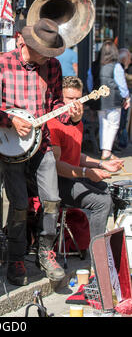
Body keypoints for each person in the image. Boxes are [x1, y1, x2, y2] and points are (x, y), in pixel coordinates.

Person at [0, 18, 83, 285]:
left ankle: (45, 252)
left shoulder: (52, 66)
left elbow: (54, 103)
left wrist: (72, 115)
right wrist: (10, 120)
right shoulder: (2, 65)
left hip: (41, 144)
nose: (49, 58)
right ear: (28, 44)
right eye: (45, 52)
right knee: (19, 205)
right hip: (10, 147)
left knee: (52, 200)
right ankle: (16, 258)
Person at [47, 76, 123, 241]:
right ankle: (98, 258)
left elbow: (75, 155)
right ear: (60, 99)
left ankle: (111, 245)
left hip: (74, 176)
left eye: (78, 98)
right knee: (102, 202)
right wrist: (86, 172)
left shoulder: (77, 122)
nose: (75, 103)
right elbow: (56, 165)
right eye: (69, 99)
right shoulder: (53, 123)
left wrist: (103, 164)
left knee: (111, 192)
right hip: (57, 182)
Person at [93, 40, 130, 160]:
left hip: (99, 100)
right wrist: (126, 97)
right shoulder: (116, 66)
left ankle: (105, 150)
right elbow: (122, 85)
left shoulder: (94, 65)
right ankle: (107, 151)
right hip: (114, 100)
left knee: (103, 124)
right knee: (113, 125)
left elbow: (89, 82)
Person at [116, 48, 131, 148]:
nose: (130, 61)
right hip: (119, 99)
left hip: (117, 99)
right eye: (129, 58)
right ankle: (121, 142)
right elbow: (122, 86)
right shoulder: (118, 67)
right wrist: (127, 97)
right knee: (120, 123)